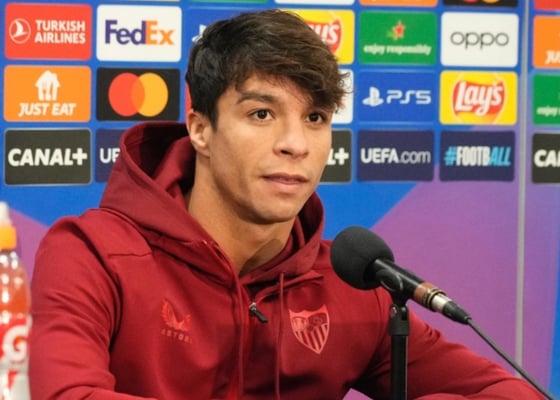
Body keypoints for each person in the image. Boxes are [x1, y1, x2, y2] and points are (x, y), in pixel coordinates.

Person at [29, 8, 543, 400]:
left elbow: (508, 393)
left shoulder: (351, 287)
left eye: (315, 118)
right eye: (261, 114)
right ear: (200, 129)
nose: (295, 144)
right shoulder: (93, 254)